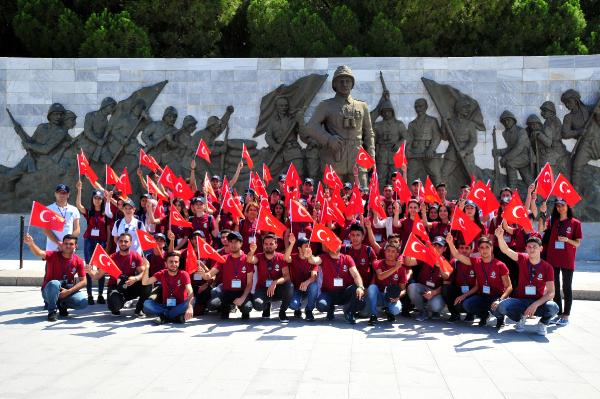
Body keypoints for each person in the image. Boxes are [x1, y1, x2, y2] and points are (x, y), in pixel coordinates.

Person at [495, 230, 559, 336]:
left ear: (541, 249)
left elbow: (551, 293)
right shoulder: (522, 258)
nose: (532, 249)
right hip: (521, 300)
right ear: (526, 249)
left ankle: (543, 323)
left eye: (535, 246)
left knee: (554, 307)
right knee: (502, 307)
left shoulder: (548, 267)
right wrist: (500, 237)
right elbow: (506, 250)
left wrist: (535, 304)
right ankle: (520, 318)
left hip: (537, 301)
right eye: (529, 246)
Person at [446, 235, 512, 328]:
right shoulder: (476, 262)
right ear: (478, 250)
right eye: (481, 247)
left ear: (491, 248)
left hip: (496, 297)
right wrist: (450, 243)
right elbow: (457, 255)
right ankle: (484, 316)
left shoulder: (500, 265)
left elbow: (509, 287)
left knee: (497, 307)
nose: (484, 250)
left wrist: (500, 300)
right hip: (482, 296)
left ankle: (500, 318)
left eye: (487, 247)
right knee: (467, 304)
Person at [23, 233, 87, 321]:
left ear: (76, 245)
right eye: (66, 243)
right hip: (49, 291)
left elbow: (84, 281)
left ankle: (62, 305)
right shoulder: (52, 255)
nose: (68, 246)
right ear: (62, 244)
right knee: (54, 283)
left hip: (66, 290)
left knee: (82, 302)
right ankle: (52, 312)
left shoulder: (79, 261)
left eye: (71, 244)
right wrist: (31, 244)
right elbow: (39, 253)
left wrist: (68, 291)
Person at [86, 233, 150, 316]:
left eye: (126, 241)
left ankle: (139, 309)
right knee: (115, 307)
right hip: (116, 287)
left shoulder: (135, 256)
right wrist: (90, 271)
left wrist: (136, 278)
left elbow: (143, 273)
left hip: (130, 285)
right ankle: (119, 301)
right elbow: (97, 276)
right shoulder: (111, 258)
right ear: (118, 243)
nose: (123, 243)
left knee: (147, 284)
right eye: (121, 241)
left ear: (130, 243)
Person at [542, 198, 582, 326]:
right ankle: (558, 313)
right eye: (558, 206)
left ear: (568, 206)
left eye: (562, 205)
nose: (560, 208)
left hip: (567, 259)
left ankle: (566, 315)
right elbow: (542, 228)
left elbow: (577, 243)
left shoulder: (575, 223)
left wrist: (566, 240)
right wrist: (543, 213)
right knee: (555, 287)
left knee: (566, 287)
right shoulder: (553, 221)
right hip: (553, 258)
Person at [201, 232, 254, 319]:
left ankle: (242, 308)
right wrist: (203, 274)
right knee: (211, 305)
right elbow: (209, 275)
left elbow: (249, 284)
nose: (233, 245)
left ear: (241, 243)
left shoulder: (247, 259)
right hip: (227, 292)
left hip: (242, 291)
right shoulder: (224, 258)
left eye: (236, 242)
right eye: (231, 242)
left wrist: (242, 298)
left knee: (247, 308)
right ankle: (229, 307)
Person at [75, 181, 109, 305]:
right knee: (89, 268)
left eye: (100, 198)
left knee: (101, 268)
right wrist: (79, 189)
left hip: (101, 242)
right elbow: (78, 205)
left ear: (102, 200)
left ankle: (100, 295)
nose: (97, 200)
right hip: (89, 241)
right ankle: (89, 295)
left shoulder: (106, 213)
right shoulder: (89, 212)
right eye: (95, 197)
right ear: (93, 199)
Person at [247, 234, 294, 322]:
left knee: (289, 286)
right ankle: (266, 306)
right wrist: (252, 251)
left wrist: (275, 282)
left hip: (277, 289)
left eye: (271, 244)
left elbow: (287, 277)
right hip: (262, 289)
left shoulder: (281, 257)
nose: (268, 246)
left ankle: (282, 312)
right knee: (258, 305)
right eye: (266, 244)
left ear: (276, 245)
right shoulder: (259, 256)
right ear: (263, 245)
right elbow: (249, 259)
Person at [316, 245, 366, 324]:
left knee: (360, 300)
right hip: (329, 293)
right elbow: (314, 260)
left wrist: (360, 287)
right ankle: (330, 309)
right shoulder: (323, 257)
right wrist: (309, 256)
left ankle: (349, 312)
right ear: (328, 247)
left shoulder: (347, 258)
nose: (335, 245)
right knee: (321, 305)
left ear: (340, 245)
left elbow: (356, 275)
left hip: (344, 292)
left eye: (337, 243)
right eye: (332, 243)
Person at [405, 236, 450, 321]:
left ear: (444, 249)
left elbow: (446, 280)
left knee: (435, 306)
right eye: (434, 245)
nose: (436, 248)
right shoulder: (425, 257)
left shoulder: (446, 263)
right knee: (412, 287)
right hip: (423, 288)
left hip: (436, 292)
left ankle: (434, 312)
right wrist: (409, 248)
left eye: (439, 246)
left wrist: (433, 293)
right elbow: (408, 262)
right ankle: (422, 311)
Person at [141, 252, 194, 324]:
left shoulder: (184, 274)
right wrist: (147, 268)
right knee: (147, 303)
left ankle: (164, 317)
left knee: (192, 301)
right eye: (171, 262)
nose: (174, 264)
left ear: (179, 263)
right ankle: (174, 317)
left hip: (179, 306)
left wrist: (190, 307)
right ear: (166, 263)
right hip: (165, 306)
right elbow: (145, 282)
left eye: (176, 262)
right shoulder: (162, 273)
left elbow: (190, 290)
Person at [366, 243, 406, 325]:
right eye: (388, 251)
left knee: (396, 309)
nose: (390, 253)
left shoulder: (402, 269)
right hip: (379, 296)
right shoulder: (378, 263)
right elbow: (380, 276)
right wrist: (395, 268)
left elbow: (403, 289)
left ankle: (389, 311)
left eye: (393, 251)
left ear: (397, 254)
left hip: (391, 297)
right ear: (384, 252)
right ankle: (373, 314)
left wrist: (398, 297)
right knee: (372, 288)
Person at [285, 234, 320, 321]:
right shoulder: (294, 257)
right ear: (299, 249)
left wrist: (307, 282)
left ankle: (309, 310)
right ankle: (298, 308)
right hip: (296, 289)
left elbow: (314, 276)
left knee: (314, 286)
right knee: (293, 305)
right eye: (306, 246)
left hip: (308, 289)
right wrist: (292, 243)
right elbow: (286, 258)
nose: (308, 248)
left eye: (309, 246)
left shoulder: (312, 259)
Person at [442, 240, 476, 322]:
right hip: (458, 290)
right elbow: (448, 281)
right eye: (461, 248)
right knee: (446, 288)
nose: (464, 250)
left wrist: (465, 296)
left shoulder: (476, 262)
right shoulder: (454, 262)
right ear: (458, 250)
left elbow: (479, 285)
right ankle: (454, 314)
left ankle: (471, 314)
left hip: (472, 292)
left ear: (472, 250)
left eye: (467, 248)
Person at [44, 184, 81, 251]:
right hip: (52, 248)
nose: (62, 195)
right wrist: (59, 243)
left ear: (68, 195)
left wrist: (67, 243)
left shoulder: (74, 209)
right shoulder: (48, 209)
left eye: (64, 193)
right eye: (59, 192)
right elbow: (46, 230)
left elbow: (77, 229)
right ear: (55, 194)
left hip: (68, 248)